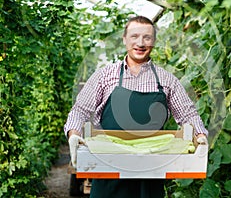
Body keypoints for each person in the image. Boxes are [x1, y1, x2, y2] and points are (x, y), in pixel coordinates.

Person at [64, 15, 208, 198]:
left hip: (151, 173)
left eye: (147, 37)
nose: (140, 43)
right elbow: (80, 110)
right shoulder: (105, 76)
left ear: (154, 41)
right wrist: (74, 134)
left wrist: (201, 136)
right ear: (124, 39)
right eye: (134, 36)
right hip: (108, 171)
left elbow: (188, 115)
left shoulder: (167, 80)